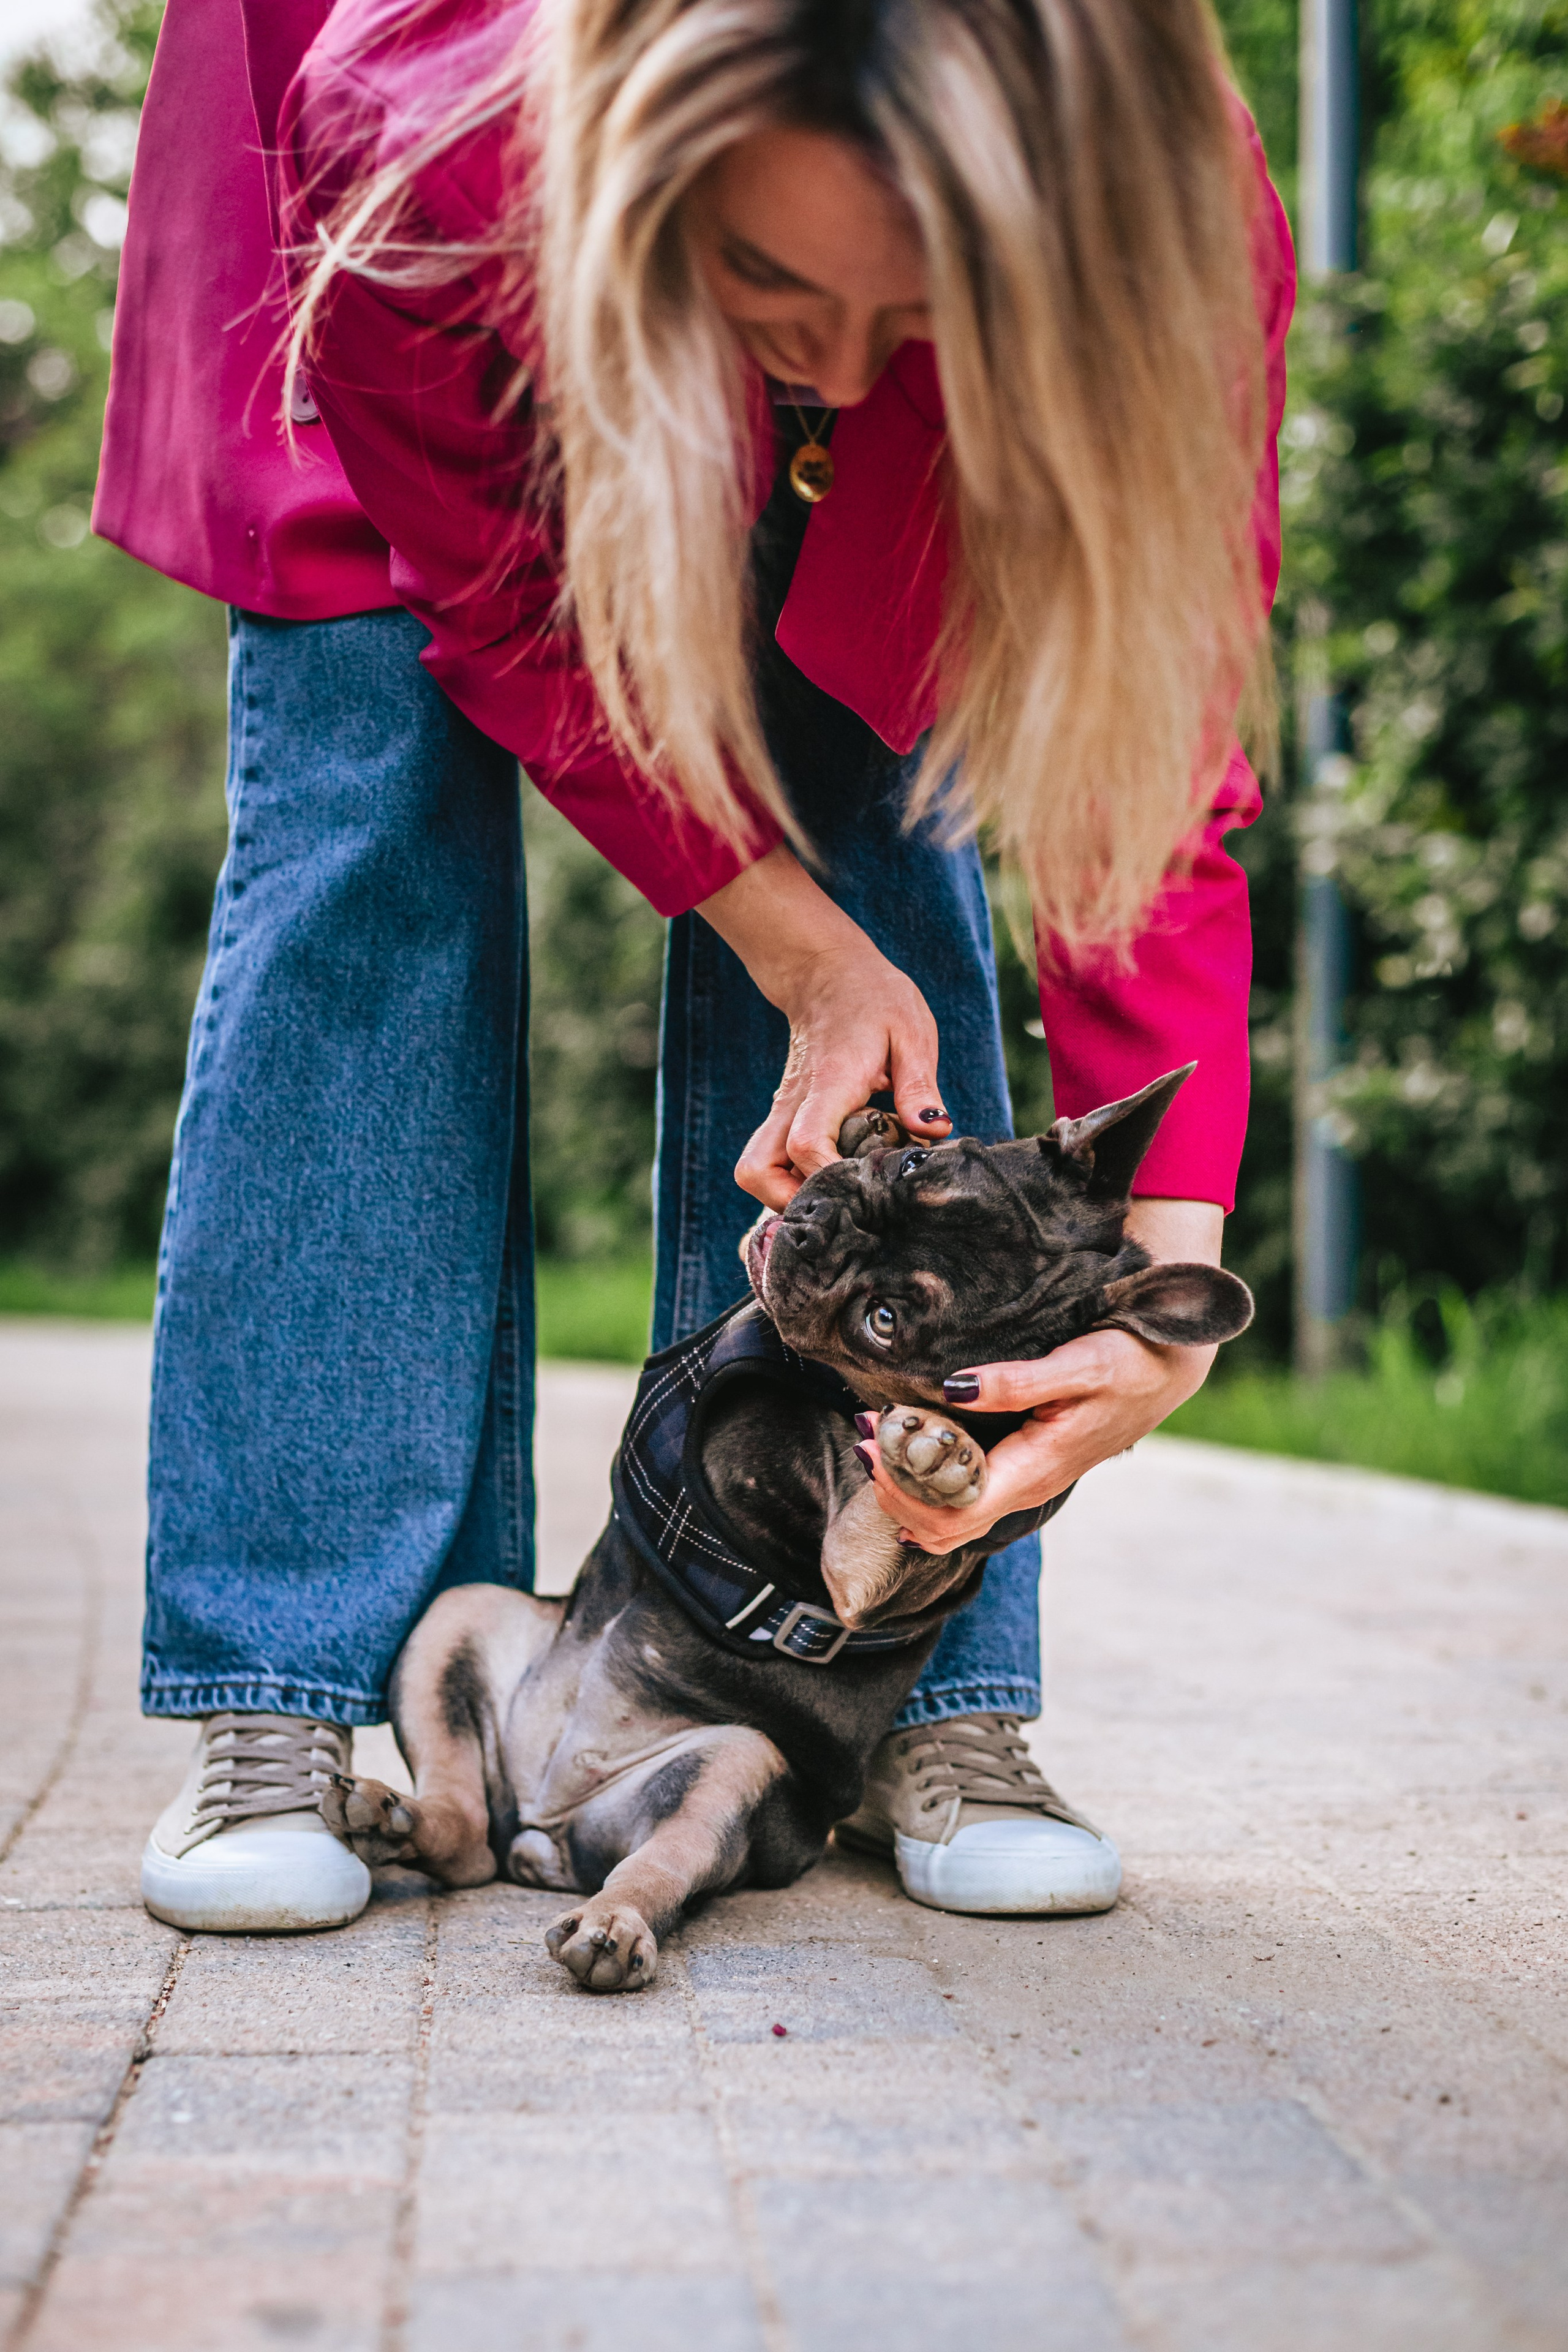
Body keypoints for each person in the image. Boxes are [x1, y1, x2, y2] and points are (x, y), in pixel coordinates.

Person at [94, 0, 1292, 1936]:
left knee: (882, 798)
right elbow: (503, 610)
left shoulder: (1165, 219)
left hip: (827, 255)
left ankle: (915, 1688)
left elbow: (1145, 757)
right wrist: (785, 943)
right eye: (775, 284)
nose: (832, 372)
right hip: (429, 213)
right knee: (369, 810)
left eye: (914, 310)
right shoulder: (429, 147)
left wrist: (1152, 1303)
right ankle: (288, 1679)